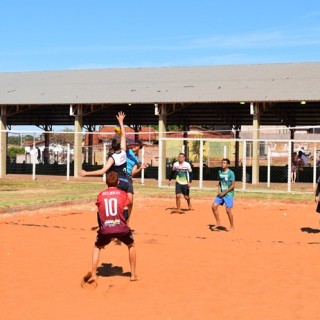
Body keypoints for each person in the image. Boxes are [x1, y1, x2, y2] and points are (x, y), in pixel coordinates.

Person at [86, 171, 138, 284]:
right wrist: (125, 224)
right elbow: (125, 211)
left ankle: (94, 274)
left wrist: (101, 227)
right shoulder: (123, 194)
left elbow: (99, 213)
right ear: (118, 182)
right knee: (131, 245)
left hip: (106, 229)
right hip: (121, 227)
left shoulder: (100, 195)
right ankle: (133, 274)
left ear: (106, 182)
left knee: (97, 247)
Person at [79, 111, 133, 208]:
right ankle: (124, 220)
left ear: (112, 147)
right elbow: (124, 136)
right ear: (120, 145)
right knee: (126, 204)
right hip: (126, 182)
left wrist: (86, 173)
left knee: (115, 203)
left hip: (118, 182)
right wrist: (121, 121)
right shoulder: (124, 152)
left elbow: (102, 171)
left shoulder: (112, 158)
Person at [211, 158, 235, 231]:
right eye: (222, 163)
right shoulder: (220, 172)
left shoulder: (231, 173)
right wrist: (218, 190)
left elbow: (233, 185)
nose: (222, 164)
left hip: (228, 194)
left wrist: (224, 192)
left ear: (228, 165)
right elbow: (220, 182)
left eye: (224, 163)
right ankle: (218, 223)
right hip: (221, 193)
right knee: (213, 207)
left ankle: (232, 226)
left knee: (228, 210)